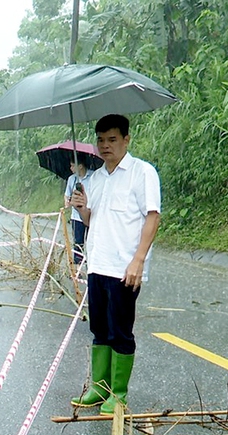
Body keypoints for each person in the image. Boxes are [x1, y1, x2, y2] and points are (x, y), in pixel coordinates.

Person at [69, 114, 161, 415]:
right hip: (98, 264)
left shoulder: (141, 172)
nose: (105, 146)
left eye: (111, 139)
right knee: (99, 328)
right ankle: (100, 387)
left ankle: (118, 394)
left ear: (126, 140)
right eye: (100, 140)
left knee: (120, 330)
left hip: (124, 268)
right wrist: (82, 209)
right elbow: (93, 221)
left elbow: (152, 216)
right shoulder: (95, 179)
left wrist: (138, 260)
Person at [64, 157, 94, 264]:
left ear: (80, 166)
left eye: (73, 165)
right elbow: (67, 196)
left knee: (92, 243)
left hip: (92, 215)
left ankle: (92, 267)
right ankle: (78, 270)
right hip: (76, 217)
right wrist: (68, 203)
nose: (70, 168)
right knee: (78, 244)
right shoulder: (71, 179)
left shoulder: (94, 176)